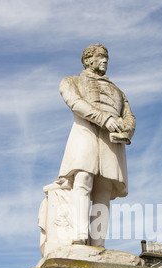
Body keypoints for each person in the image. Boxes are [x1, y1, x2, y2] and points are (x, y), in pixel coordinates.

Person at [56, 44, 136, 247]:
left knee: (104, 190)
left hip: (111, 141)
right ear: (87, 60)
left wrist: (126, 131)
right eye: (100, 56)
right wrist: (104, 118)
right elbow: (76, 103)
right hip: (85, 135)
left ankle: (98, 243)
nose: (105, 60)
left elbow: (129, 116)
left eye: (106, 57)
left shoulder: (118, 91)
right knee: (82, 179)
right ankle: (79, 236)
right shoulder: (70, 81)